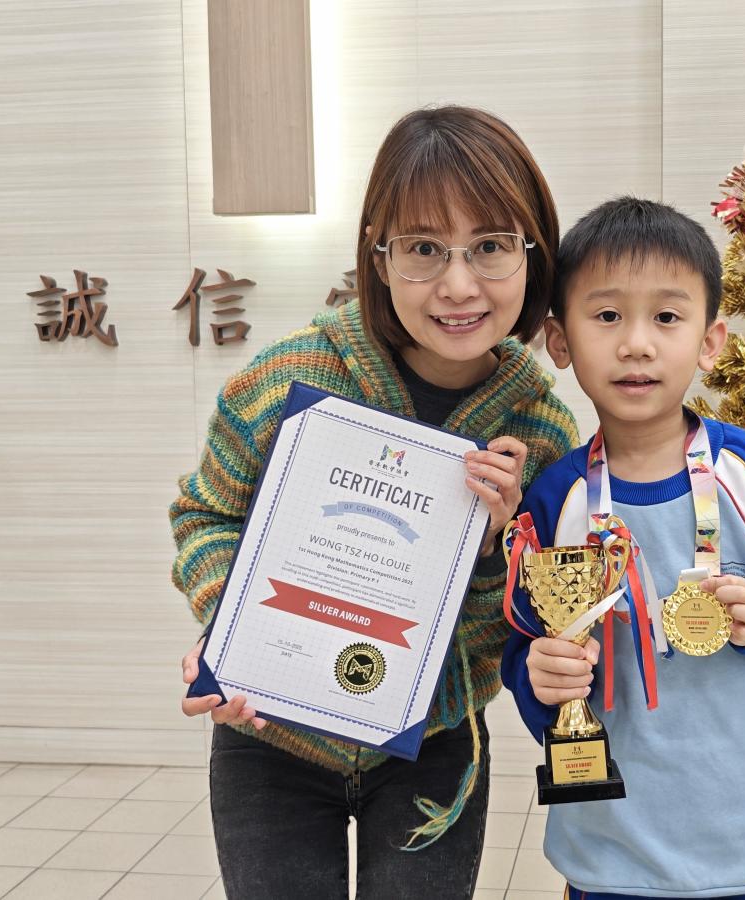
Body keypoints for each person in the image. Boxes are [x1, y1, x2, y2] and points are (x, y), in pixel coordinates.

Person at [170, 106, 579, 899]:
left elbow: (527, 624)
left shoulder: (542, 433)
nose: (458, 284)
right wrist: (232, 624)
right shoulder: (288, 379)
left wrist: (493, 547)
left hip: (433, 746)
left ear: (533, 254)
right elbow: (206, 515)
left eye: (491, 246)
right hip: (272, 741)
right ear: (378, 256)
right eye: (423, 248)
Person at [502, 197, 745, 899]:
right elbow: (528, 648)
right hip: (614, 858)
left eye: (667, 317)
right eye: (606, 315)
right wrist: (538, 677)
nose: (636, 344)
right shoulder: (556, 500)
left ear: (710, 340)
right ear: (559, 340)